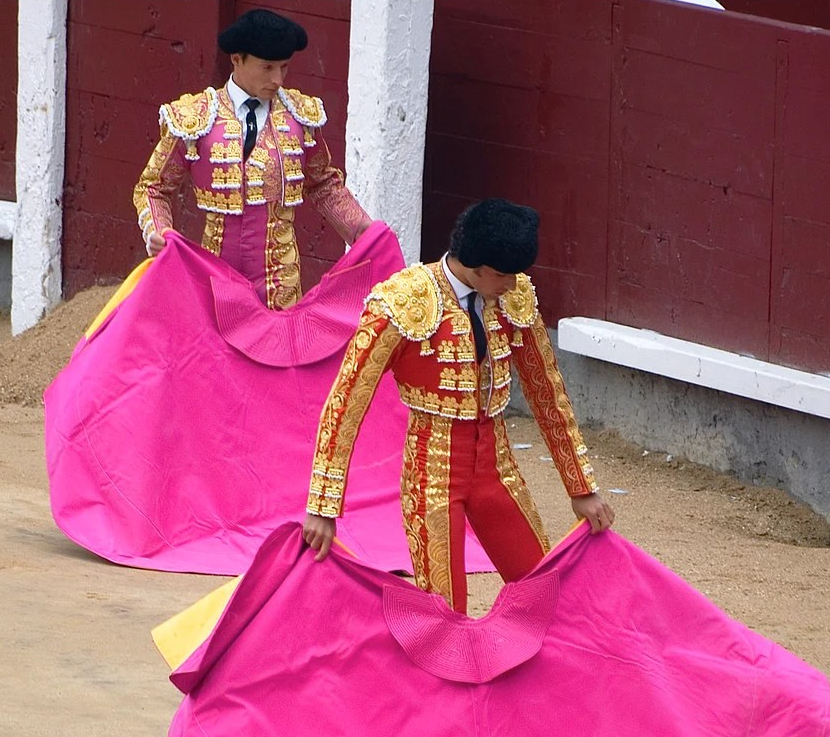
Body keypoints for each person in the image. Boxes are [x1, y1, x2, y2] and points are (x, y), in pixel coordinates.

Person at [302, 198, 615, 613]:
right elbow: (346, 401)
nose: (513, 285)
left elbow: (548, 395)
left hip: (497, 471)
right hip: (431, 476)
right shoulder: (403, 302)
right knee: (444, 617)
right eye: (503, 275)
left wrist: (581, 488)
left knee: (547, 598)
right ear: (474, 266)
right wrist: (323, 506)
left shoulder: (515, 297)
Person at [133, 8, 371, 310]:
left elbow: (324, 184)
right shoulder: (196, 118)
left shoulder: (300, 117)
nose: (277, 79)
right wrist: (158, 230)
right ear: (237, 59)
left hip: (279, 282)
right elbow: (153, 187)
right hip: (214, 276)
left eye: (284, 67)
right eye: (267, 67)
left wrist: (362, 230)